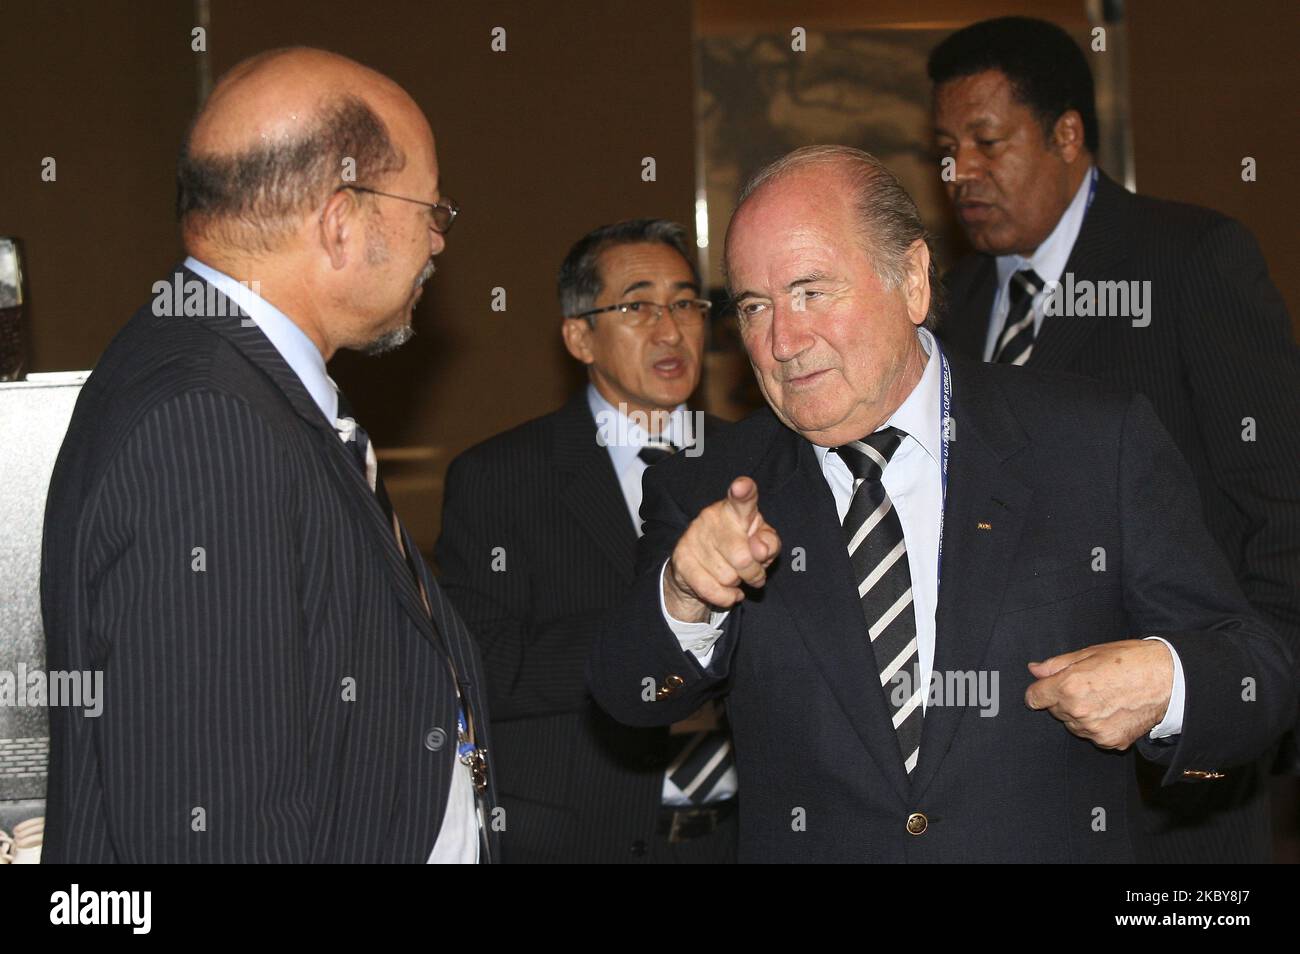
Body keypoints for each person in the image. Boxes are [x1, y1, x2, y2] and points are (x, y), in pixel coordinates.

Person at [588, 145, 1295, 863]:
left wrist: (1169, 679)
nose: (782, 341)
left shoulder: (1089, 443)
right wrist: (683, 594)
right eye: (755, 306)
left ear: (914, 281)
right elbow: (629, 693)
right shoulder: (712, 485)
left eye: (811, 291)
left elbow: (1255, 672)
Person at [40, 47, 496, 863]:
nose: (437, 239)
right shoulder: (209, 423)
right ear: (341, 219)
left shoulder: (232, 378)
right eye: (432, 209)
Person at [929, 15, 1300, 861]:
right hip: (993, 770)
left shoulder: (1190, 259)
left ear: (1067, 135)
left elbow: (1282, 502)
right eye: (946, 148)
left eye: (987, 142)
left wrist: (1242, 705)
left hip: (1169, 775)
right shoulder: (947, 303)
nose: (961, 174)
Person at [436, 219, 737, 862]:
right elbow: (487, 663)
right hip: (579, 835)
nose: (671, 328)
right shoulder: (502, 477)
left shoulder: (755, 460)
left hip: (743, 833)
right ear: (579, 336)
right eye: (637, 305)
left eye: (686, 302)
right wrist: (664, 628)